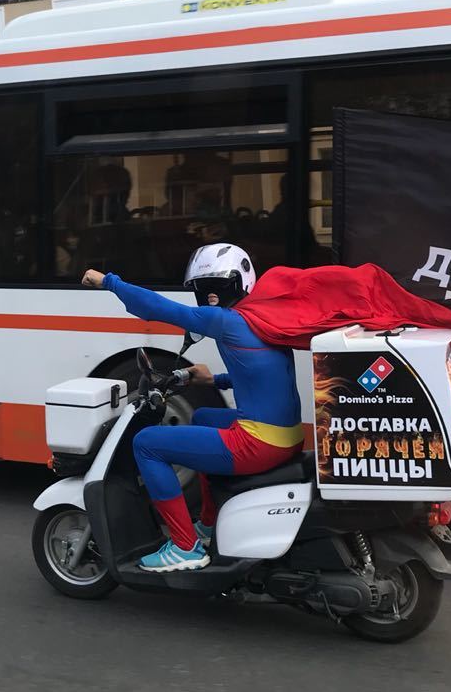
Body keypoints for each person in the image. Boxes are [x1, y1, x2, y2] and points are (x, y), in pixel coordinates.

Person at [81, 243, 304, 572]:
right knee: (202, 416)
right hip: (288, 436)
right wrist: (213, 380)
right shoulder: (263, 318)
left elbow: (158, 308)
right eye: (204, 290)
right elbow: (262, 375)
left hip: (259, 443)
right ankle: (209, 524)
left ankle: (185, 547)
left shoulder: (224, 321)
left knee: (147, 444)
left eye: (214, 288)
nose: (210, 297)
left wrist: (109, 282)